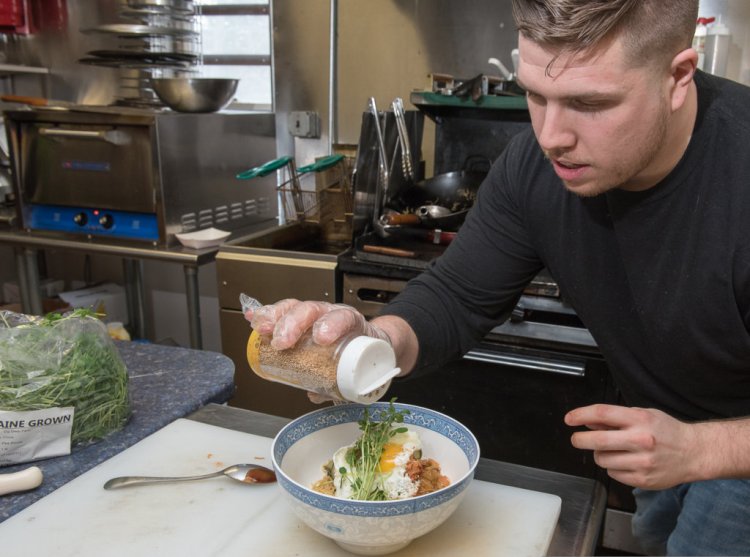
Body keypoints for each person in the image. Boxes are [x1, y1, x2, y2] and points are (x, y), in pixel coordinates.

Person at [246, 1, 750, 554]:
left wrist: (702, 450)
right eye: (535, 94)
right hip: (662, 438)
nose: (552, 136)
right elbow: (457, 296)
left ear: (677, 77)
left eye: (589, 102)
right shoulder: (534, 168)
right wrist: (369, 342)